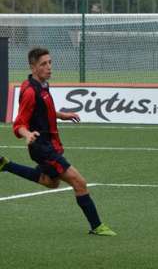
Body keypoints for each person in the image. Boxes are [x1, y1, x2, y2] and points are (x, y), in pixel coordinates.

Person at [0, 48, 116, 236]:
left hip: (49, 144)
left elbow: (44, 112)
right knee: (79, 182)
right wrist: (27, 134)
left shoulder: (43, 85)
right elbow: (18, 123)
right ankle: (97, 226)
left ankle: (6, 165)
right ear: (33, 67)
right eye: (43, 64)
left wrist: (62, 115)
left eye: (50, 62)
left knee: (50, 182)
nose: (49, 67)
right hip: (42, 147)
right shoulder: (30, 91)